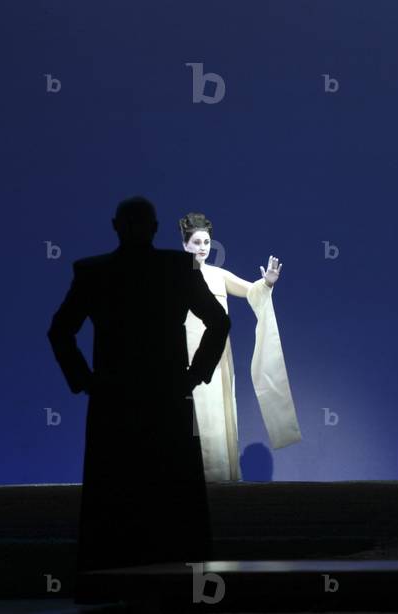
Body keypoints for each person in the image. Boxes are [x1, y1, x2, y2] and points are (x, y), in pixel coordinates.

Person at [47, 197, 230, 587]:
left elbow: (60, 332)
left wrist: (87, 381)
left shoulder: (94, 272)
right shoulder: (178, 268)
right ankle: (185, 590)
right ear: (155, 226)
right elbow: (219, 322)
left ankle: (109, 586)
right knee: (175, 503)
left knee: (114, 502)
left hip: (115, 401)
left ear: (116, 225)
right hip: (166, 398)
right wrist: (194, 375)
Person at [178, 212, 301, 482]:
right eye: (197, 242)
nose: (202, 248)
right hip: (184, 356)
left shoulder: (217, 274)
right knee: (190, 418)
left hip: (217, 359)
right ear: (185, 244)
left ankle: (220, 478)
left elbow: (251, 292)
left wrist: (267, 282)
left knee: (218, 417)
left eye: (206, 243)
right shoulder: (175, 276)